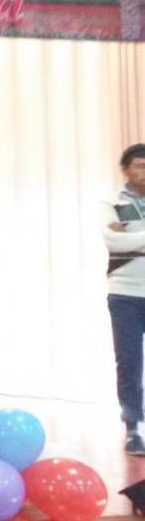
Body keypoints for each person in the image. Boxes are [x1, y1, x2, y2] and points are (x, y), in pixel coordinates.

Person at [103, 143, 145, 456]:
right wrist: (123, 240)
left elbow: (124, 240)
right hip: (125, 293)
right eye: (140, 166)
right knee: (129, 362)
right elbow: (112, 241)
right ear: (126, 169)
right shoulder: (111, 202)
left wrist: (131, 239)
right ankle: (133, 427)